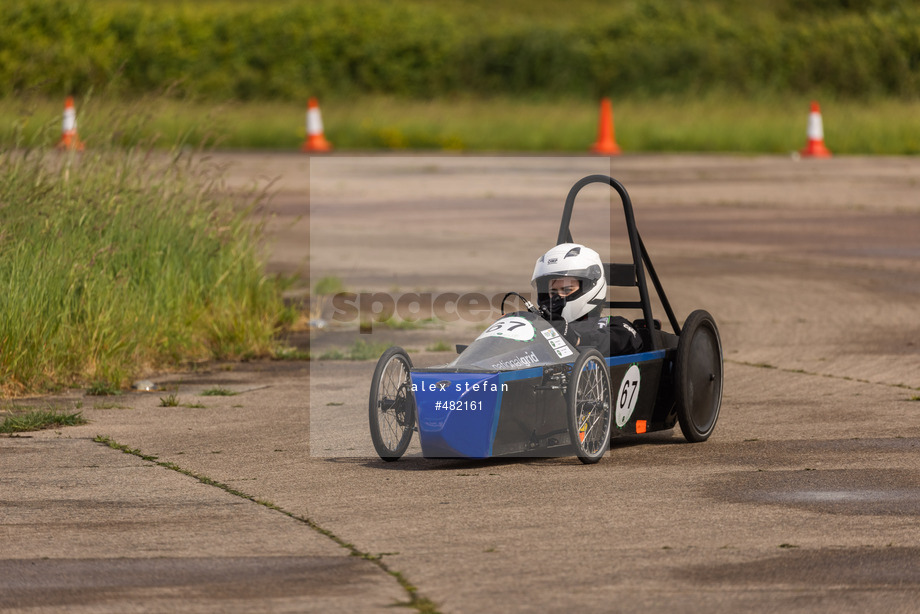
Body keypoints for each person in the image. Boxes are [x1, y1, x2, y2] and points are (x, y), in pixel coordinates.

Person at [531, 243, 642, 356]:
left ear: (589, 287)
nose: (557, 297)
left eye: (567, 290)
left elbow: (626, 339)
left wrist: (577, 340)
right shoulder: (542, 325)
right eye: (553, 292)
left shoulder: (612, 324)